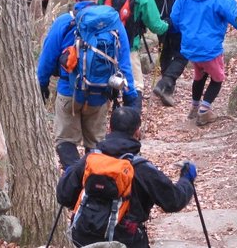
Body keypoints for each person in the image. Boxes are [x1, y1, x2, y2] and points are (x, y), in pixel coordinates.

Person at [37, 0, 138, 170]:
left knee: (65, 141)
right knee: (96, 144)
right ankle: (94, 182)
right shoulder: (112, 22)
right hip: (100, 94)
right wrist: (130, 95)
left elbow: (46, 60)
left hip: (69, 93)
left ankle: (77, 182)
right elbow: (124, 61)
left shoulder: (64, 22)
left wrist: (42, 84)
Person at [56, 106, 196, 248]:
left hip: (84, 240)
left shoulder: (89, 161)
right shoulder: (141, 169)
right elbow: (173, 201)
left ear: (110, 129)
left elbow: (63, 196)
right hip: (126, 242)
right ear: (137, 132)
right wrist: (186, 179)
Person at [99, 0, 169, 112]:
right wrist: (167, 25)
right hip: (129, 46)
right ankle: (132, 122)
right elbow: (156, 26)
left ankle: (103, 121)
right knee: (135, 84)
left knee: (101, 81)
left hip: (99, 46)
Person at [145, 0, 193, 107]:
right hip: (179, 21)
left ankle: (167, 90)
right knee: (183, 53)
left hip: (157, 20)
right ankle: (165, 83)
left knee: (165, 51)